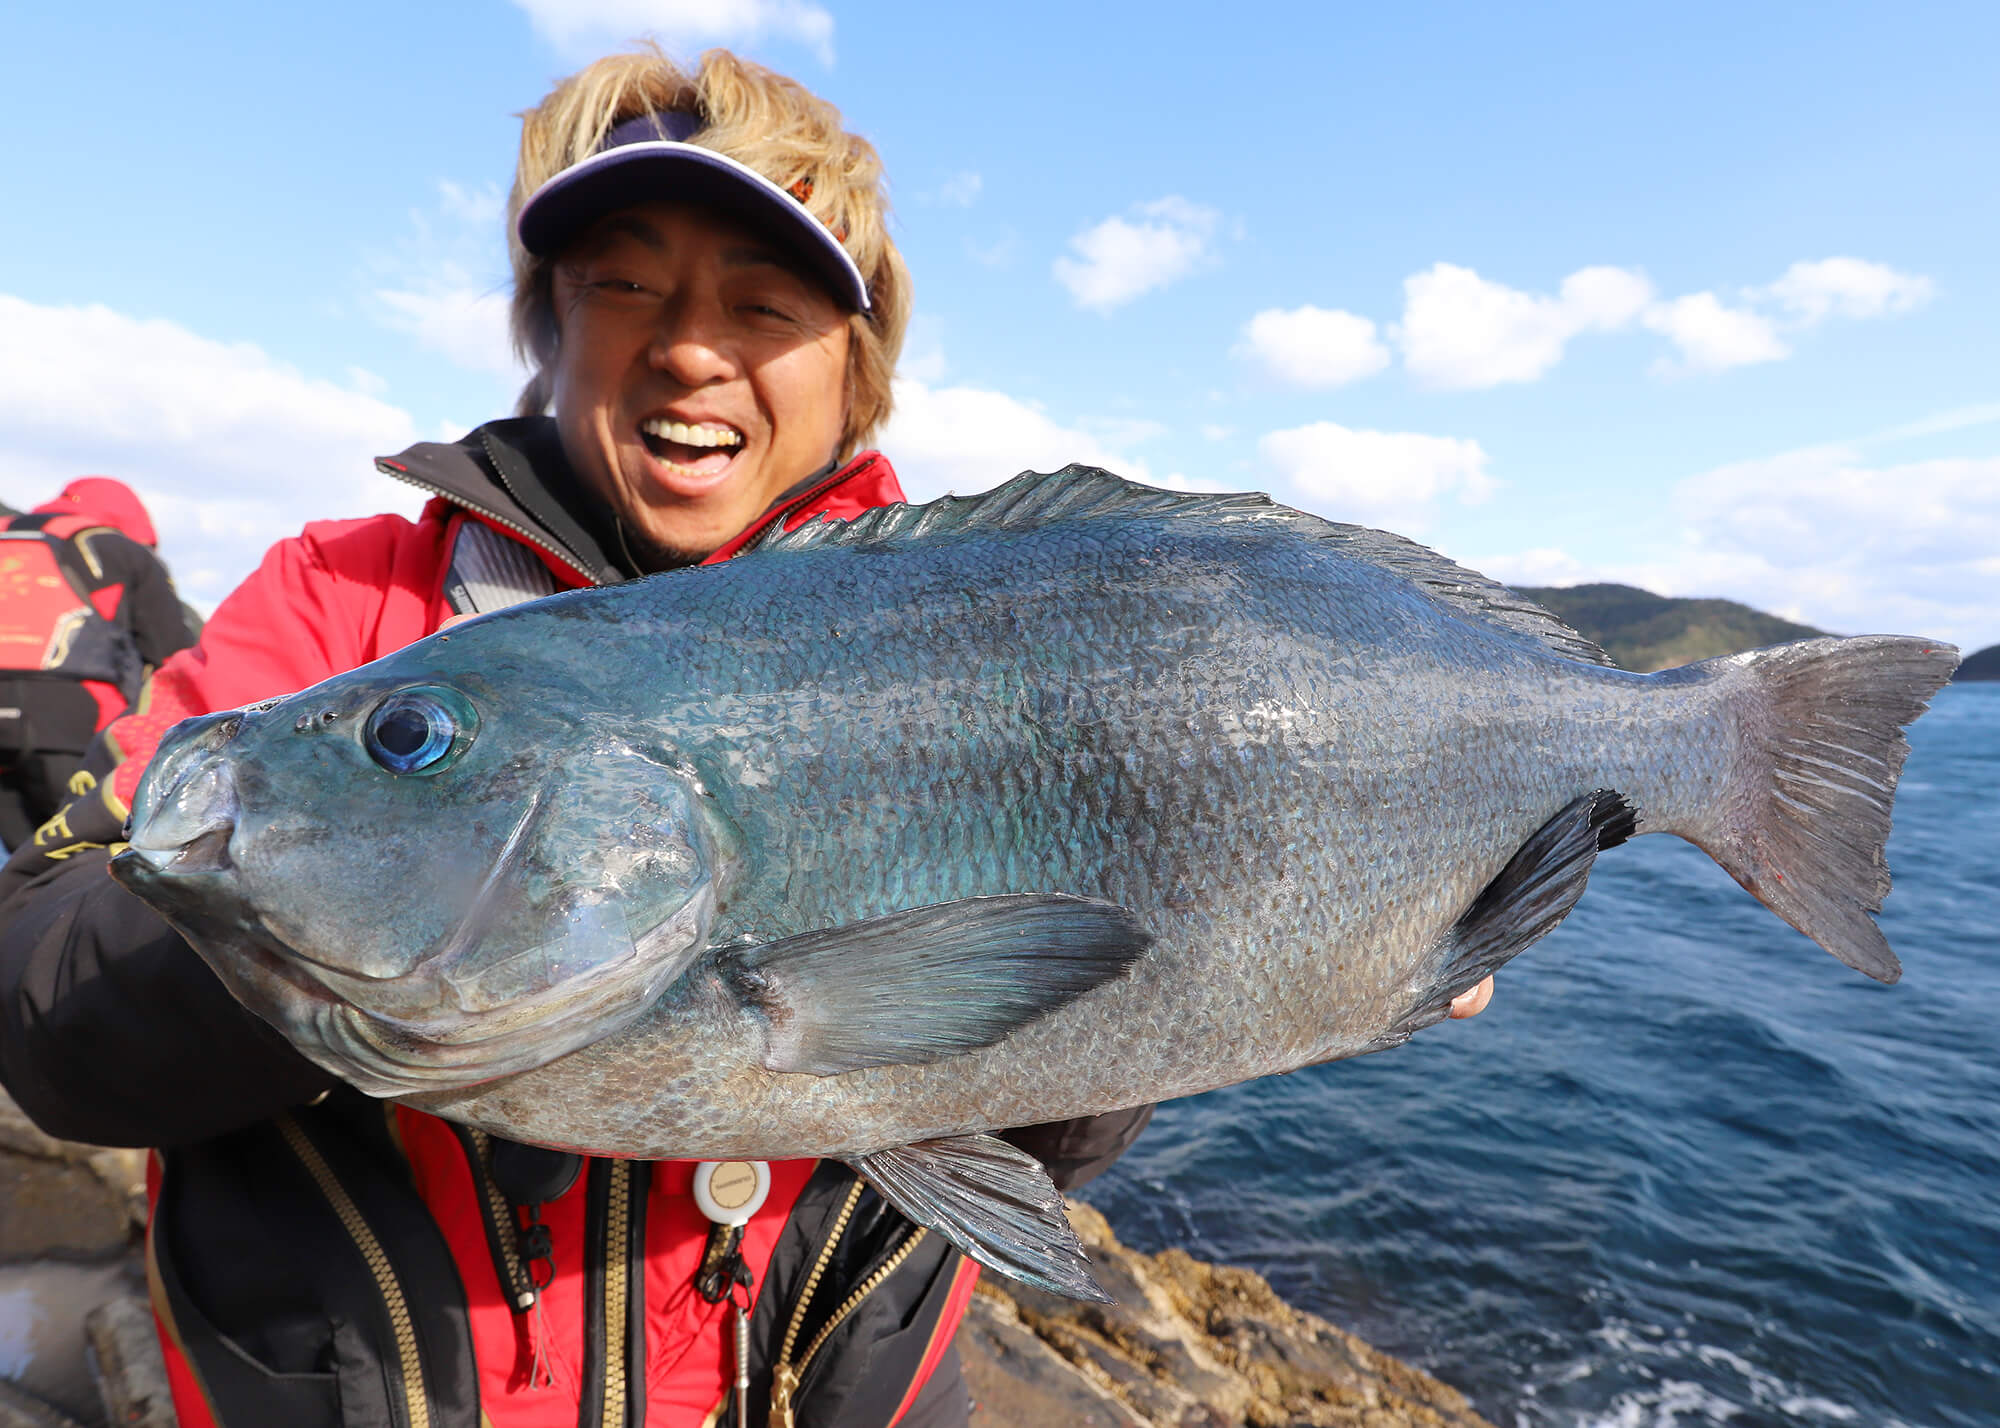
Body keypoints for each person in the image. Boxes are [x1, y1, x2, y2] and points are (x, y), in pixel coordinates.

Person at [0, 48, 1492, 1428]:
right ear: (552, 331)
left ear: (858, 365)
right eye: (624, 287)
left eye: (764, 306)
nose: (690, 353)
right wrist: (325, 927)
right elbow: (51, 1021)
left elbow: (1047, 1150)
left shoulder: (1001, 644)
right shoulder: (344, 605)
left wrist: (1281, 942)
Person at [0, 477, 195, 850]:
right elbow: (174, 660)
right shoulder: (121, 551)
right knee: (79, 862)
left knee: (16, 865)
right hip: (75, 723)